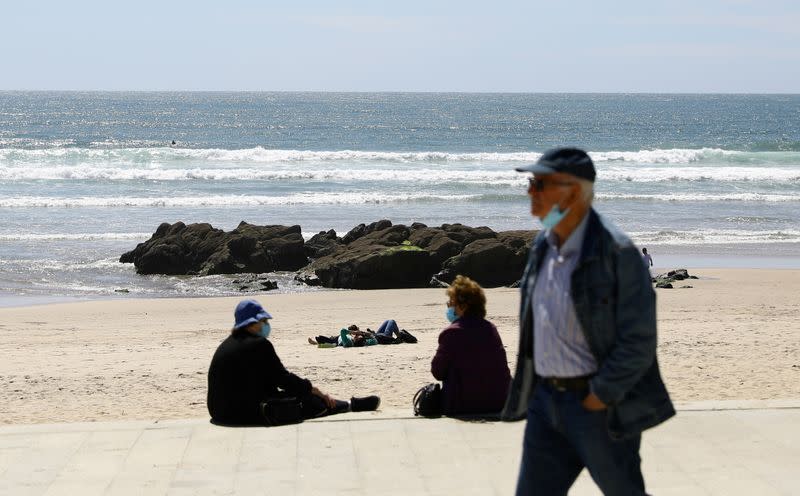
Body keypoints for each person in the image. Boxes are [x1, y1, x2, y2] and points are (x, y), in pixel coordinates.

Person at [503, 148, 674, 495]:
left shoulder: (617, 253)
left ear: (574, 192)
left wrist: (600, 395)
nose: (530, 192)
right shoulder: (543, 244)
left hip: (596, 409)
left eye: (540, 183)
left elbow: (639, 340)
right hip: (545, 403)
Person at [207, 299, 380, 425]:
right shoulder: (259, 344)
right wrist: (315, 390)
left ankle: (346, 403)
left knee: (299, 393)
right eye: (263, 321)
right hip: (244, 413)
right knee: (309, 401)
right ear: (252, 324)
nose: (266, 325)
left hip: (219, 412)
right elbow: (284, 379)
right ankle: (350, 405)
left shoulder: (227, 344)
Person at [431, 275, 512, 415]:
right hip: (499, 401)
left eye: (451, 303)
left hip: (464, 404)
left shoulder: (451, 333)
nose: (449, 307)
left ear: (463, 306)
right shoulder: (491, 329)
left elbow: (438, 372)